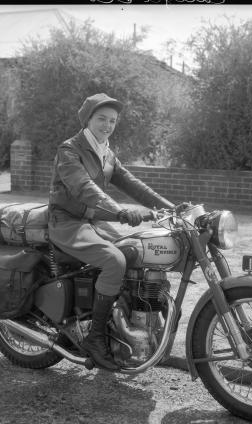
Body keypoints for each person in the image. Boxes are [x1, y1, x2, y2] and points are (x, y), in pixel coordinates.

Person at [48, 93, 175, 370]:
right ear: (88, 119)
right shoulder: (69, 150)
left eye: (113, 120)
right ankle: (95, 339)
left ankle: (120, 320)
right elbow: (83, 187)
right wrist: (118, 211)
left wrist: (172, 208)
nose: (107, 125)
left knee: (136, 251)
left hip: (92, 220)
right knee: (114, 260)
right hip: (67, 222)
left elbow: (134, 185)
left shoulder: (107, 153)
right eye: (101, 119)